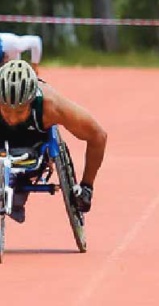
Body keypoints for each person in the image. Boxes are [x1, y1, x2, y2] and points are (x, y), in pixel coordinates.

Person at [0, 60, 107, 223]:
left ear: (30, 101)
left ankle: (18, 188)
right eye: (6, 110)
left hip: (34, 144)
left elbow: (98, 136)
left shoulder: (51, 106)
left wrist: (87, 187)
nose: (13, 117)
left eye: (20, 111)